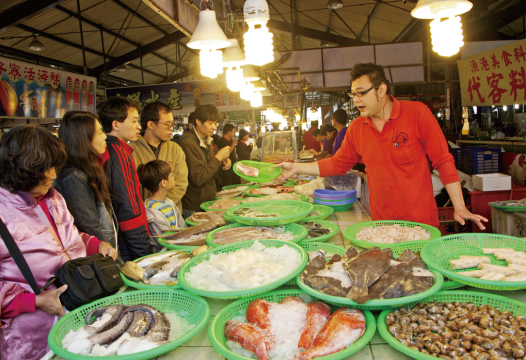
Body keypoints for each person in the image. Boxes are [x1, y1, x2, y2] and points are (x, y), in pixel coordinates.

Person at [276, 62, 487, 230]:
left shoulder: (417, 113)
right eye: (353, 94)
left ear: (381, 89)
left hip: (421, 224)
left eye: (361, 93)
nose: (356, 100)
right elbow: (337, 164)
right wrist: (297, 167)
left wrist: (459, 206)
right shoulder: (357, 128)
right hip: (381, 226)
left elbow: (443, 160)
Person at [0, 125, 117, 360]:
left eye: (53, 166)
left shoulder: (53, 197)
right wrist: (33, 301)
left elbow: (66, 237)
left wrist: (94, 244)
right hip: (31, 337)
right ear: (22, 170)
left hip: (75, 317)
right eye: (45, 169)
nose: (53, 175)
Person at [98, 96, 152, 261]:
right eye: (134, 121)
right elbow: (126, 202)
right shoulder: (117, 153)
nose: (138, 126)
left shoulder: (110, 149)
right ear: (115, 124)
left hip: (121, 232)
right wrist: (141, 244)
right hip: (129, 235)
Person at [54, 111, 117, 250]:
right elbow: (90, 227)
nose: (105, 137)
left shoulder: (88, 170)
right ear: (84, 138)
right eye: (100, 132)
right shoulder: (74, 177)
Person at [129, 101, 188, 212]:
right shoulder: (131, 151)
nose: (171, 128)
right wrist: (149, 210)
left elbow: (181, 184)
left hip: (171, 217)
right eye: (167, 124)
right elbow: (130, 190)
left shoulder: (175, 149)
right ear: (151, 124)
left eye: (172, 124)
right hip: (143, 216)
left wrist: (160, 208)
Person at [179, 104, 232, 218]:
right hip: (193, 207)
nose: (214, 127)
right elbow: (198, 177)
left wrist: (222, 160)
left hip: (205, 203)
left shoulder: (206, 140)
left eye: (216, 123)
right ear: (198, 122)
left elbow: (208, 167)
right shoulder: (188, 143)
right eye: (210, 123)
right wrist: (218, 158)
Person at [137, 160, 184, 250]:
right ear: (163, 183)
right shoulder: (151, 210)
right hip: (166, 252)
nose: (174, 178)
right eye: (171, 176)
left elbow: (183, 228)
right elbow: (164, 240)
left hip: (178, 248)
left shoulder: (169, 202)